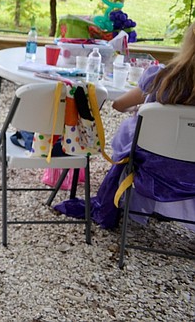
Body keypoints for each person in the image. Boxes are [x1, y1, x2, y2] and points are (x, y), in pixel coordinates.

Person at [55, 24, 195, 228]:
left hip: (153, 165)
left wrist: (144, 108)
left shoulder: (161, 77)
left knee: (132, 132)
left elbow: (118, 104)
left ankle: (127, 200)